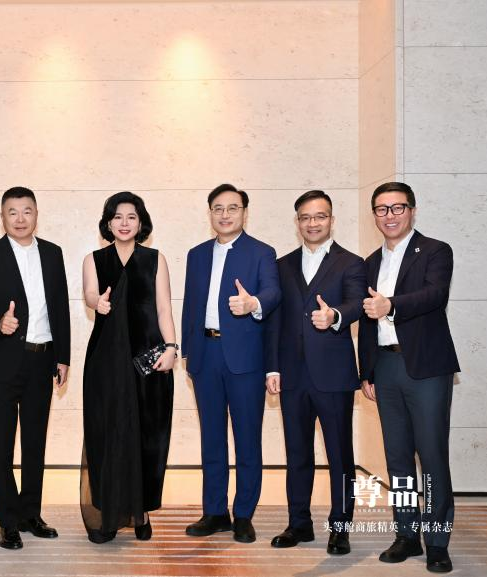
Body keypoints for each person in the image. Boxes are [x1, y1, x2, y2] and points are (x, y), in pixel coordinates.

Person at [358, 181, 459, 574]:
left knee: (431, 457)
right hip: (385, 368)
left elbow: (435, 295)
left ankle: (437, 541)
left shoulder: (435, 251)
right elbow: (366, 321)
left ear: (412, 211)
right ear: (374, 215)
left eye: (397, 207)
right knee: (397, 458)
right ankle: (406, 534)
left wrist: (391, 305)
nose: (390, 216)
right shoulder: (369, 262)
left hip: (426, 368)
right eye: (382, 209)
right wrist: (366, 371)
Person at [264, 190, 367, 555]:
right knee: (297, 454)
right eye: (305, 217)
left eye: (320, 216)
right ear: (297, 222)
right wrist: (272, 367)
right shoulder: (282, 264)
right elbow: (274, 322)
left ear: (331, 220)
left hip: (333, 375)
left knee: (340, 454)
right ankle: (299, 524)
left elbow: (357, 303)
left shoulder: (351, 263)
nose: (312, 223)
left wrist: (334, 315)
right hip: (292, 375)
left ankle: (341, 527)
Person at [0, 187, 71, 550]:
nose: (20, 218)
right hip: (3, 362)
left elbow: (60, 305)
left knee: (34, 443)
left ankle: (31, 514)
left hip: (42, 359)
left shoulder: (53, 253)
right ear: (2, 217)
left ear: (36, 214)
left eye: (26, 211)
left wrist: (63, 356)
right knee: (1, 445)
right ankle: (8, 520)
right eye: (12, 212)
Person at [181, 183, 280, 543]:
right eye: (218, 208)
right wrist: (188, 352)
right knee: (212, 438)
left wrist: (253, 304)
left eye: (232, 208)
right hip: (205, 355)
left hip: (245, 359)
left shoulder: (262, 252)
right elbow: (190, 304)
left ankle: (244, 514)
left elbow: (273, 292)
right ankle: (215, 512)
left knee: (247, 438)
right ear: (210, 213)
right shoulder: (196, 254)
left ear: (244, 213)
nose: (225, 215)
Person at [80, 191, 176, 544]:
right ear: (108, 223)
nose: (124, 223)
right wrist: (98, 304)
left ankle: (142, 511)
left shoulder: (155, 259)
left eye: (131, 216)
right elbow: (90, 294)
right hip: (106, 358)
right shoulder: (94, 259)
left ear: (141, 222)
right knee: (107, 434)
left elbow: (164, 309)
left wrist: (172, 348)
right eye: (117, 216)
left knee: (147, 434)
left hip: (147, 357)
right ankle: (108, 511)